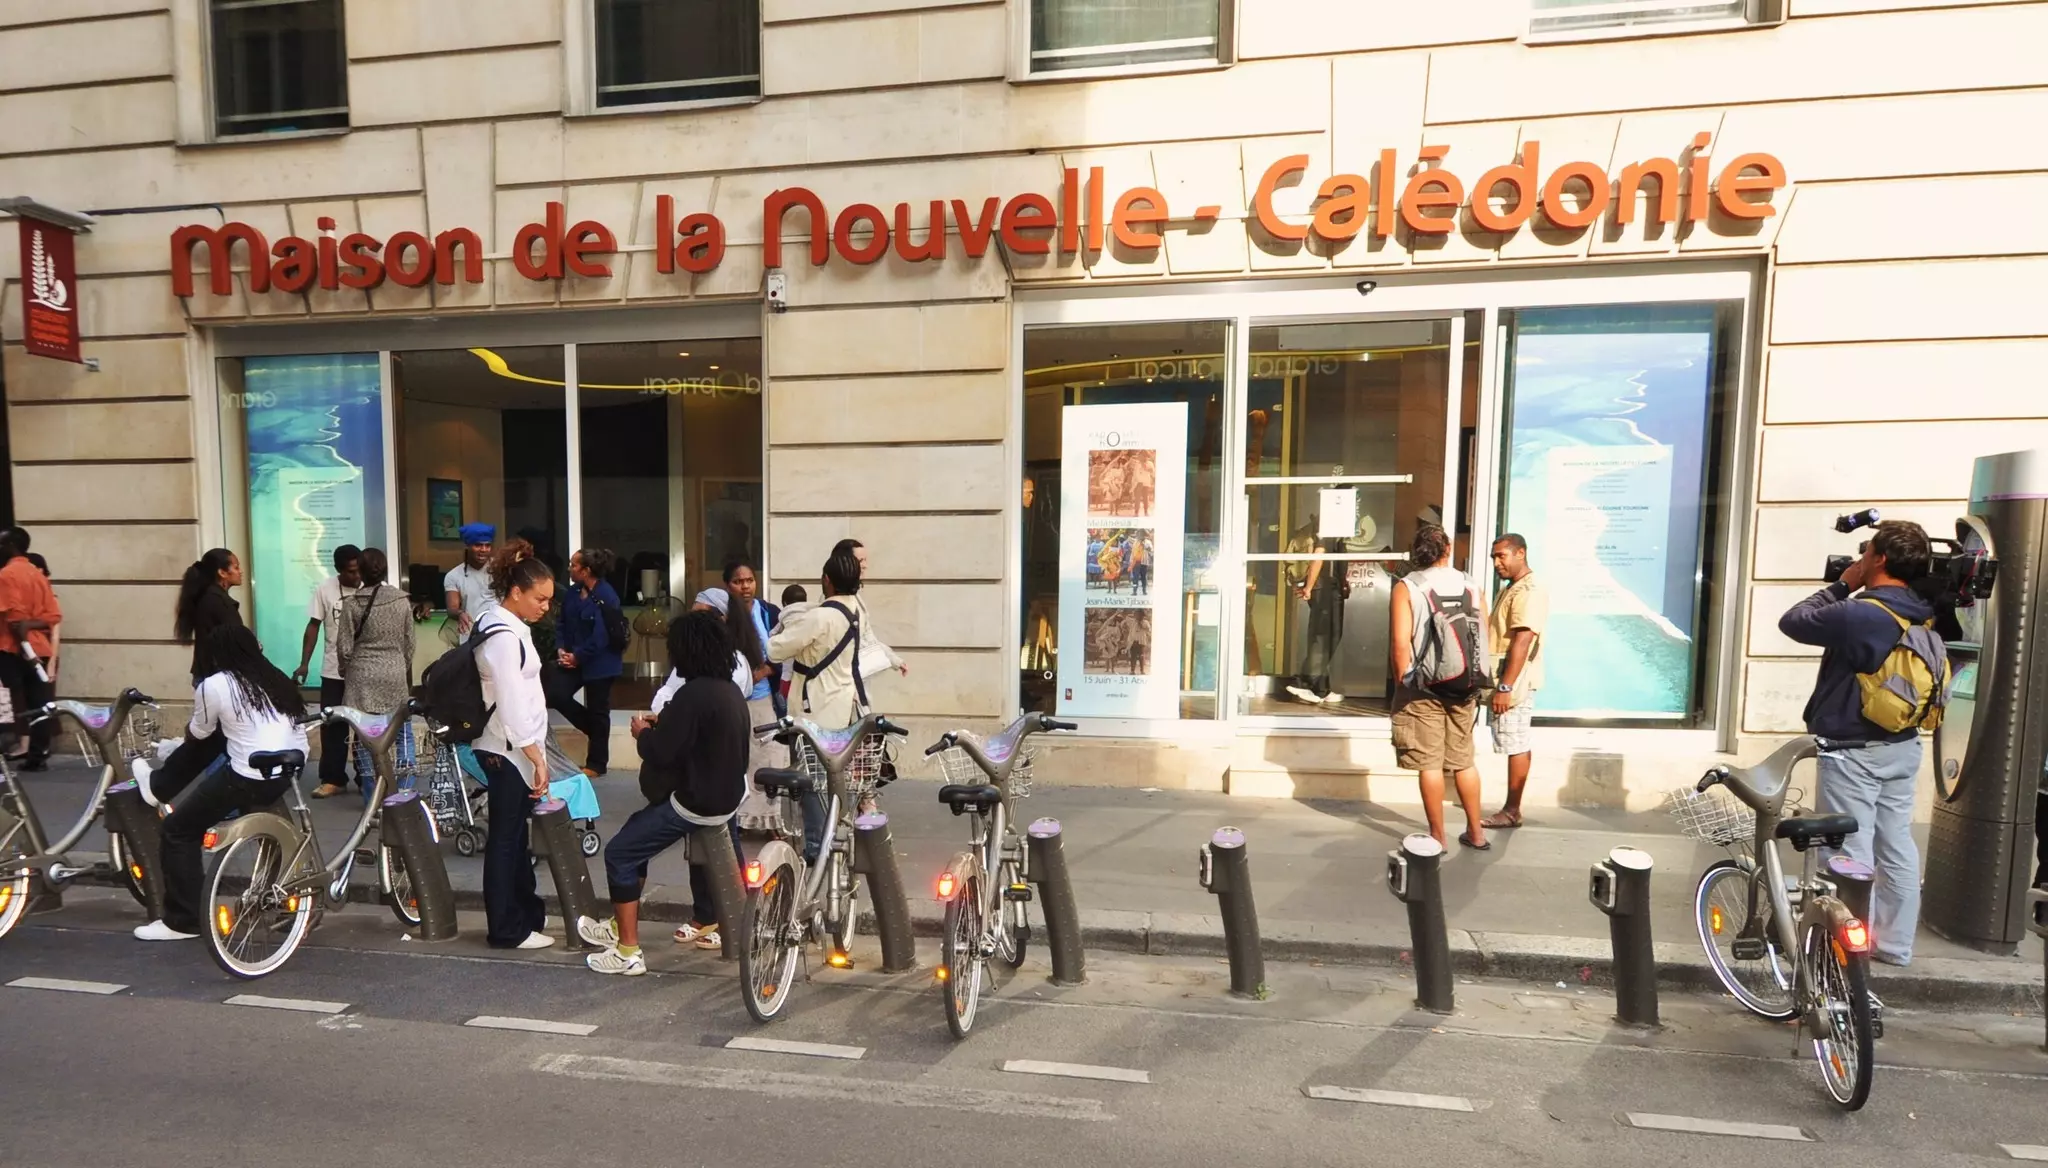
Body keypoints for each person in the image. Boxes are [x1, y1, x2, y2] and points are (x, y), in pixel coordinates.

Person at [1777, 519, 1936, 968]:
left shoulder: (1862, 611)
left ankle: (1841, 958)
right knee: (1896, 843)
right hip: (1902, 744)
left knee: (1847, 852)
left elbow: (1793, 621)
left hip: (1852, 750)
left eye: (1867, 553)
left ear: (1880, 559)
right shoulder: (1921, 608)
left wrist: (1841, 585)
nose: (1861, 560)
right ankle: (1893, 944)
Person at [577, 612, 749, 974]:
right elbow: (699, 737)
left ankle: (627, 951)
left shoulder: (692, 694)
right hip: (726, 799)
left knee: (620, 853)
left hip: (694, 803)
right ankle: (617, 925)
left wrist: (642, 732)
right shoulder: (728, 691)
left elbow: (660, 752)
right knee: (635, 830)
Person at [130, 625, 309, 941]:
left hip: (248, 775)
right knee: (221, 737)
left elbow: (199, 733)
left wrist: (180, 743)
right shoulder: (275, 678)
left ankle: (183, 922)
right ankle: (158, 784)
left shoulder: (215, 684)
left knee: (178, 831)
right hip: (287, 770)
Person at [472, 547, 557, 950]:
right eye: (540, 598)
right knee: (506, 840)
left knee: (512, 839)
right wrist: (535, 756)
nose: (545, 607)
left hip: (507, 747)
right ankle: (508, 928)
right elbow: (509, 700)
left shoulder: (499, 622)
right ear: (517, 592)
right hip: (507, 749)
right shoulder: (504, 635)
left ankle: (523, 918)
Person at [1389, 523, 1489, 850]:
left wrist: (1402, 682)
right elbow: (1482, 634)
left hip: (1424, 686)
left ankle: (1438, 837)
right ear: (1447, 549)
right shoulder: (1471, 585)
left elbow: (1399, 643)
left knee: (1430, 763)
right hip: (1464, 685)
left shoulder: (1408, 587)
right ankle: (1476, 832)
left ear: (1417, 552)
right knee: (1463, 760)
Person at [334, 549, 417, 803]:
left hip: (361, 678)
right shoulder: (401, 601)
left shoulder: (352, 604)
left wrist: (346, 670)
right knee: (402, 733)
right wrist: (398, 666)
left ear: (361, 571)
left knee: (365, 739)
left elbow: (344, 648)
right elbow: (410, 643)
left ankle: (373, 798)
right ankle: (405, 791)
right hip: (394, 674)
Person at [1482, 534, 1547, 830]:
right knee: (1513, 739)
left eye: (1502, 556)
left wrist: (1505, 687)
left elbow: (1523, 640)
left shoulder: (1529, 590)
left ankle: (1512, 810)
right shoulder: (1512, 587)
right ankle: (1511, 808)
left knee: (1517, 742)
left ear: (1521, 553)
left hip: (1515, 681)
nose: (1497, 563)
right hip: (1505, 676)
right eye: (1494, 557)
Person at [717, 560, 785, 833]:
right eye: (738, 581)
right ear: (727, 585)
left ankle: (771, 820)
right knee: (740, 759)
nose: (745, 586)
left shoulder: (770, 613)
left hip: (764, 697)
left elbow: (785, 651)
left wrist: (767, 669)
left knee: (770, 758)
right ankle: (742, 819)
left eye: (749, 580)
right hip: (734, 699)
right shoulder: (722, 615)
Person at [295, 544, 364, 799]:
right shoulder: (325, 589)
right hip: (333, 670)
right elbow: (313, 627)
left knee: (364, 727)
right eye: (350, 572)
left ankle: (365, 776)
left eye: (358, 571)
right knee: (332, 725)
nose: (356, 576)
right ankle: (333, 778)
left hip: (363, 671)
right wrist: (304, 663)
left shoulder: (370, 588)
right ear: (338, 570)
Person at [552, 548, 625, 777]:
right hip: (573, 659)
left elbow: (601, 637)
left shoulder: (606, 595)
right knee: (556, 694)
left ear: (586, 571)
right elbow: (562, 623)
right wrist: (561, 648)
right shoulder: (573, 593)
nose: (569, 568)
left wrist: (579, 656)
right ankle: (596, 732)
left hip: (601, 662)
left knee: (598, 710)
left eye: (574, 565)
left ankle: (596, 764)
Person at [0, 529, 61, 770]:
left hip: (13, 649)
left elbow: (14, 617)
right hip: (38, 648)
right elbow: (52, 615)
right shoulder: (38, 576)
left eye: (2, 544)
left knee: (20, 701)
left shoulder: (6, 575)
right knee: (39, 702)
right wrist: (31, 626)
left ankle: (32, 751)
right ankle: (37, 754)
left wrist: (24, 630)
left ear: (12, 545)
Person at [1287, 532, 1349, 705]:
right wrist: (1309, 586)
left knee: (1328, 637)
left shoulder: (1335, 527)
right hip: (1325, 588)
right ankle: (1304, 683)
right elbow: (1319, 556)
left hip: (1329, 586)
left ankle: (1321, 688)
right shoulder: (1329, 526)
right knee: (1323, 638)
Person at [174, 548, 244, 682]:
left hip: (210, 674)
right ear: (222, 572)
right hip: (217, 676)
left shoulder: (209, 597)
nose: (240, 571)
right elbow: (234, 639)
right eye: (236, 567)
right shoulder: (217, 601)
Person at [444, 523, 497, 642]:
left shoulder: (500, 569)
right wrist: (460, 614)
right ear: (467, 546)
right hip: (470, 637)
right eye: (478, 545)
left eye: (487, 545)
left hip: (498, 633)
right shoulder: (453, 576)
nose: (483, 550)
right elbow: (452, 608)